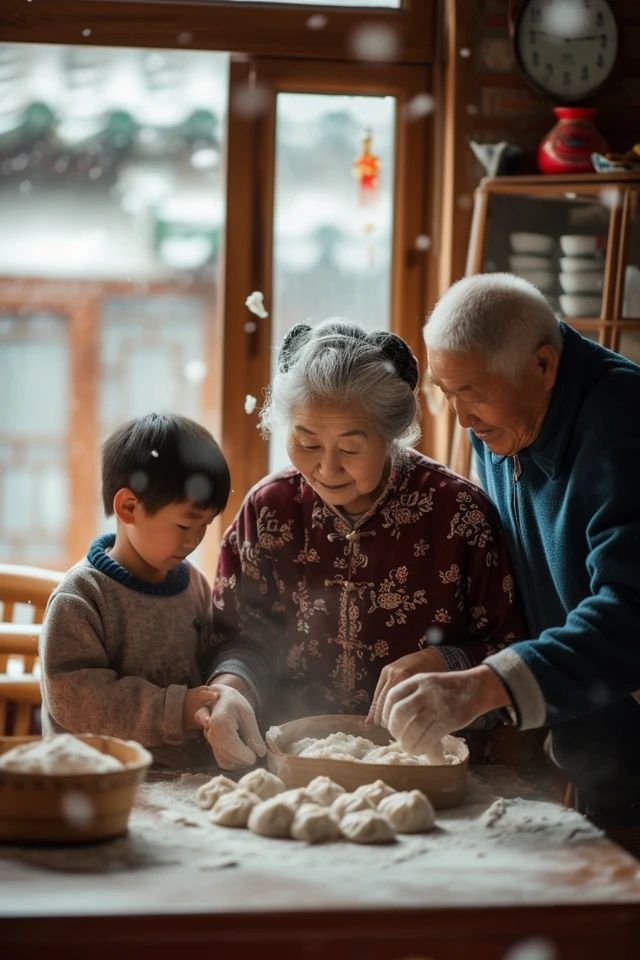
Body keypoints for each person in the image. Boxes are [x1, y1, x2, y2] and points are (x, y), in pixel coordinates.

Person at [378, 272, 640, 827]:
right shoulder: (503, 423)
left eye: (472, 393)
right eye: (446, 394)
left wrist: (484, 685)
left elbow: (631, 614)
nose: (463, 418)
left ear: (543, 365)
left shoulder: (623, 431)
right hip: (595, 750)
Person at [209, 318, 525, 731]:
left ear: (390, 436)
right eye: (306, 443)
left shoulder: (459, 514)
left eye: (350, 447)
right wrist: (231, 690)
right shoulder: (270, 510)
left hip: (425, 760)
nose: (326, 467)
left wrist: (444, 661)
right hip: (291, 755)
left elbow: (513, 650)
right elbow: (237, 636)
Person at [40, 412, 266, 769]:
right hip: (98, 783)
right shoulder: (82, 597)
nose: (194, 540)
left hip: (185, 779)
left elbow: (211, 659)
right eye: (184, 524)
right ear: (128, 507)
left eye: (205, 525)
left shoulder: (193, 585)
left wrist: (219, 696)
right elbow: (74, 698)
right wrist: (177, 710)